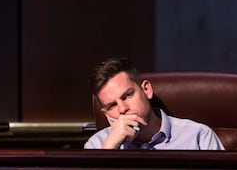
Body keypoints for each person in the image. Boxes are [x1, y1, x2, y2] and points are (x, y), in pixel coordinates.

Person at [84, 56, 225, 150]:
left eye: (127, 95)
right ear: (106, 113)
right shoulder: (97, 145)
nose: (122, 109)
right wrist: (108, 151)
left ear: (146, 90)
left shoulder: (198, 136)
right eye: (112, 105)